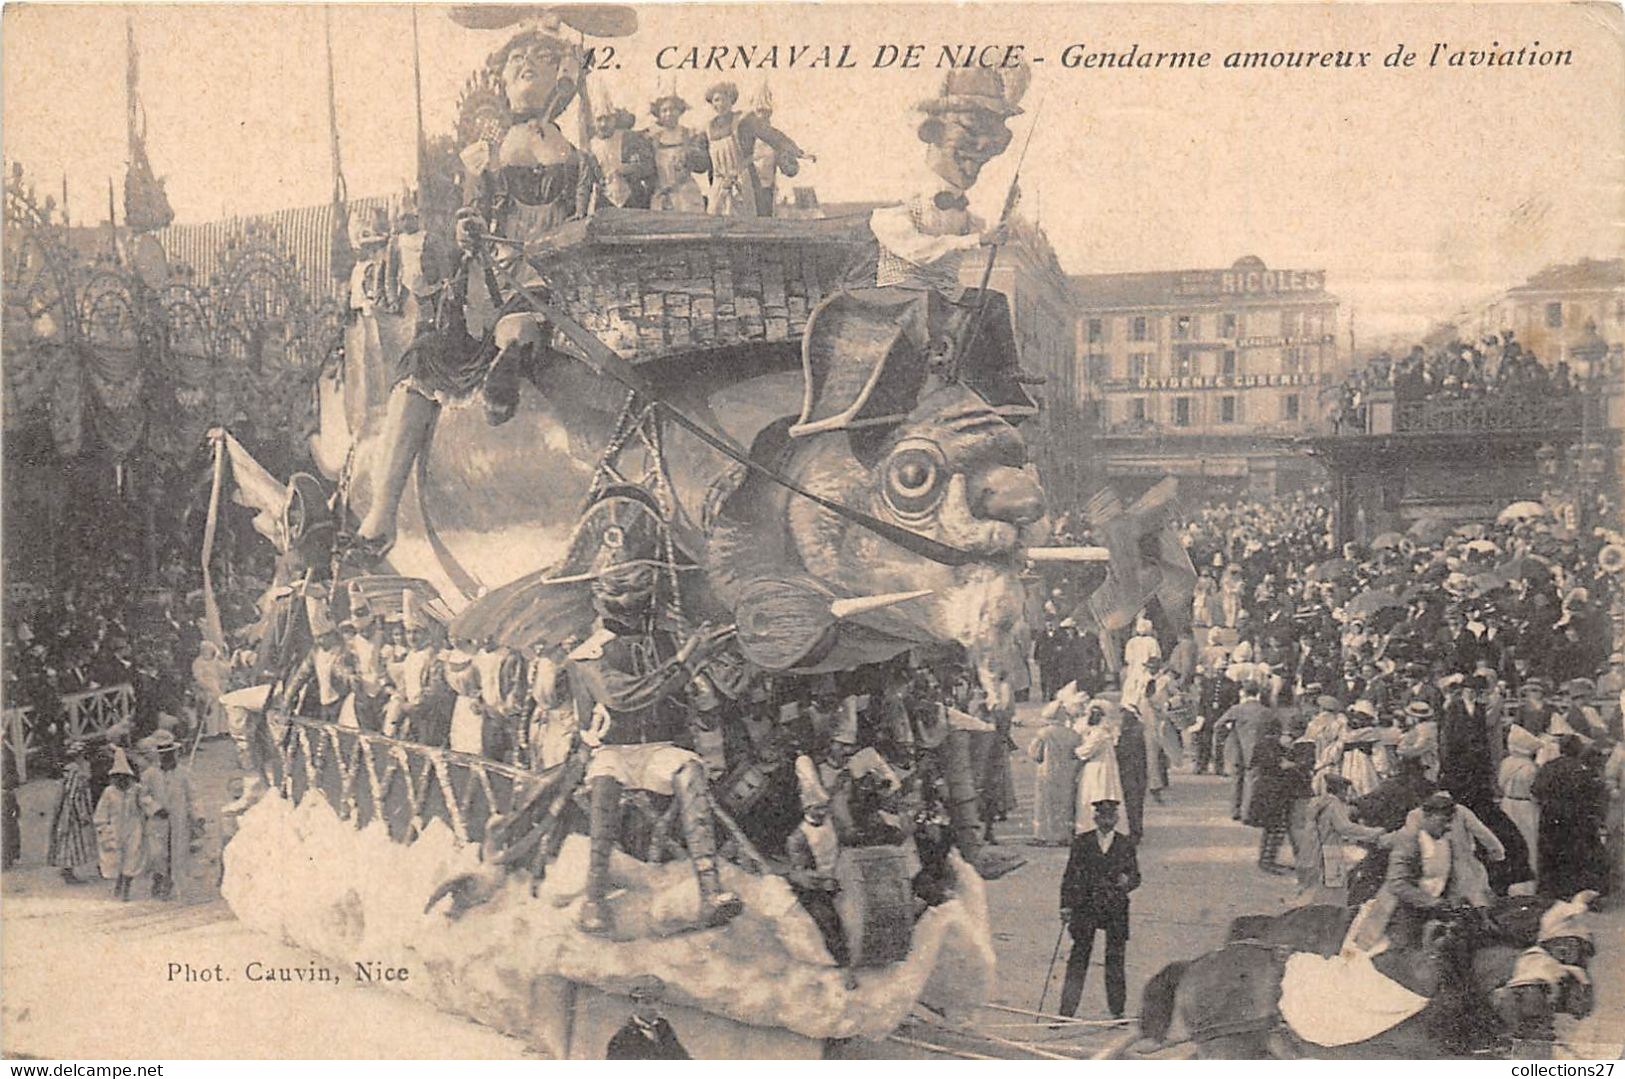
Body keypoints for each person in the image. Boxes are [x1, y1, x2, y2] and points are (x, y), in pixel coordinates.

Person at [568, 556, 740, 935]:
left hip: (658, 748)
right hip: (612, 750)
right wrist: (685, 660)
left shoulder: (665, 641)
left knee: (690, 769)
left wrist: (715, 648)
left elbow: (715, 684)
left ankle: (711, 891)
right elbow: (625, 696)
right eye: (625, 592)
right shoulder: (588, 653)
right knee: (605, 783)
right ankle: (594, 899)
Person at [1058, 799, 1140, 1020]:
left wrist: (1128, 881)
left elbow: (1136, 877)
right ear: (1095, 819)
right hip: (1086, 906)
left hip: (1115, 907)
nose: (1106, 821)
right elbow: (1070, 875)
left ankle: (1117, 1011)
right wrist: (1065, 905)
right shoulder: (1082, 842)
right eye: (1102, 817)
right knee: (1079, 957)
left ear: (1116, 819)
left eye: (1111, 817)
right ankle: (1066, 1011)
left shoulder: (1125, 844)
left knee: (1115, 959)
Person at [784, 779, 858, 989]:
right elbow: (801, 873)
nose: (821, 812)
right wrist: (824, 881)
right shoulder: (797, 838)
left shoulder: (831, 824)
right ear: (807, 808)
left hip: (838, 877)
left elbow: (843, 845)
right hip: (814, 887)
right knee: (828, 920)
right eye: (817, 808)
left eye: (824, 807)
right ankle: (845, 968)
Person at [698, 81, 807, 218]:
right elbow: (698, 154)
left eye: (725, 99)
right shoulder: (708, 128)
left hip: (743, 179)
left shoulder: (743, 120)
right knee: (715, 216)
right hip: (719, 182)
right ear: (712, 103)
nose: (721, 104)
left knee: (747, 217)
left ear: (732, 100)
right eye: (717, 100)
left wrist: (793, 149)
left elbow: (769, 134)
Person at [1532, 734, 1608, 901]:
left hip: (1551, 817)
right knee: (1576, 853)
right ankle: (1575, 890)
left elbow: (1536, 789)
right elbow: (1593, 793)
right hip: (1576, 818)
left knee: (1552, 852)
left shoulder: (1548, 767)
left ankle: (1551, 890)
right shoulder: (1581, 768)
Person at [1294, 773, 1383, 906]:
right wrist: (1374, 832)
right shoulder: (1334, 805)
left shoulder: (1318, 802)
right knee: (1334, 890)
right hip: (1330, 850)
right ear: (1340, 790)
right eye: (1345, 791)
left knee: (1312, 886)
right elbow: (1345, 828)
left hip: (1312, 849)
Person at [139, 730, 196, 900]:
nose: (167, 758)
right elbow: (143, 796)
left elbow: (192, 795)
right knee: (158, 853)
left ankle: (171, 884)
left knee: (177, 852)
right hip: (158, 820)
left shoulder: (183, 773)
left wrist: (197, 816)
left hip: (179, 818)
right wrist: (156, 808)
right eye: (163, 755)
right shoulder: (149, 774)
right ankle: (158, 879)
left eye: (170, 754)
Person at [1027, 698, 1081, 846]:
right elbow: (1077, 753)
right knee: (1065, 804)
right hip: (1067, 773)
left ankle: (1043, 835)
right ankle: (1063, 835)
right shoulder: (1073, 734)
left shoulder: (1043, 733)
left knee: (1044, 804)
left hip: (1047, 771)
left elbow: (1034, 754)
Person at [93, 748, 145, 901]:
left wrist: (155, 810)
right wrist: (104, 829)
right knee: (115, 859)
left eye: (125, 777)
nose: (122, 781)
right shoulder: (109, 792)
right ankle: (118, 884)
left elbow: (145, 803)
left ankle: (126, 889)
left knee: (132, 857)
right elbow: (101, 814)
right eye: (118, 777)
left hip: (134, 827)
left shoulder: (136, 790)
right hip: (115, 828)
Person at [647, 91, 708, 213]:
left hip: (686, 192)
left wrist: (691, 156)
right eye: (664, 110)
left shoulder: (689, 134)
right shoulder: (652, 138)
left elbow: (702, 166)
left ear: (680, 112)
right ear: (658, 114)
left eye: (673, 109)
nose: (669, 114)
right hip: (662, 191)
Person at [46, 741, 98, 885]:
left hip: (69, 807)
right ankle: (67, 871)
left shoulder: (71, 769)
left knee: (68, 839)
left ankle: (68, 870)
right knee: (71, 839)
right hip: (72, 810)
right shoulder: (76, 771)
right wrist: (81, 814)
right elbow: (73, 794)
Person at [1497, 724, 1542, 889]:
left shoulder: (1506, 763)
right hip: (1525, 806)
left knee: (1509, 841)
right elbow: (1534, 791)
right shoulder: (1530, 767)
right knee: (1528, 842)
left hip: (1507, 803)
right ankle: (1528, 884)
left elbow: (1500, 784)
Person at [605, 975, 690, 1059]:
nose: (654, 1007)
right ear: (634, 1004)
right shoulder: (620, 1040)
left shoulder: (664, 1027)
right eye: (647, 1002)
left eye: (657, 1001)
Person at [1218, 682, 1269, 821]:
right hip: (1257, 750)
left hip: (1237, 749)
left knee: (1236, 780)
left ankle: (1235, 811)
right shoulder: (1265, 711)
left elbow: (1218, 725)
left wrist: (1228, 736)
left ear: (1243, 694)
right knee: (1252, 781)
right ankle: (1248, 813)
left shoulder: (1236, 709)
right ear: (1258, 694)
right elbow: (1276, 729)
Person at [1074, 699, 1125, 834]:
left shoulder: (1099, 733)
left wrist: (1074, 751)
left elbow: (1086, 751)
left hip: (1098, 767)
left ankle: (1090, 827)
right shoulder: (1102, 731)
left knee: (1096, 793)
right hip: (1103, 765)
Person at [1115, 702, 1150, 844]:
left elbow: (1123, 752)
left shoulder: (1132, 732)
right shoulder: (1137, 730)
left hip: (1132, 773)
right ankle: (1134, 831)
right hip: (1136, 773)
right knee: (1134, 803)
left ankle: (1134, 832)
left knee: (1132, 803)